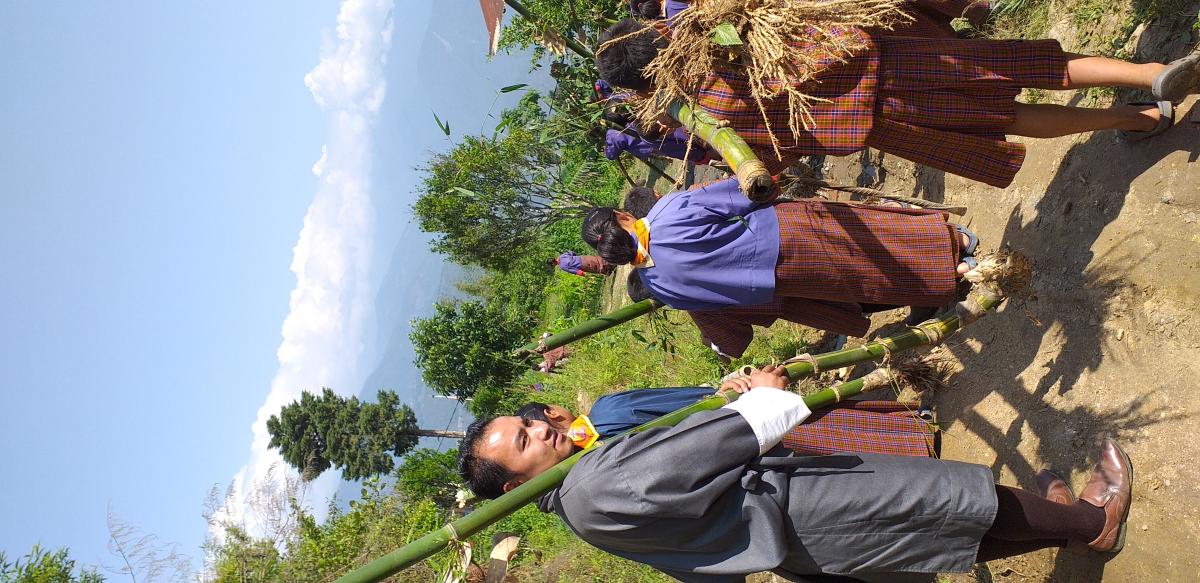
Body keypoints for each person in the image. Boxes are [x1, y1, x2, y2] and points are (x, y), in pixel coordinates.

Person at [457, 366, 1133, 582]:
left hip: (793, 535)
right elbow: (705, 450)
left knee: (940, 530)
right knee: (951, 496)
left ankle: (1064, 526)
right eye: (523, 441)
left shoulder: (578, 496)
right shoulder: (591, 484)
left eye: (529, 424)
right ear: (515, 485)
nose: (541, 429)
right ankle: (1093, 522)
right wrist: (763, 395)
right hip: (803, 508)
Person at [595, 17, 1199, 187]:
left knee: (1010, 117)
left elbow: (776, 161)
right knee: (1037, 65)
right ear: (660, 39)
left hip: (892, 120)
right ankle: (1152, 74)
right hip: (899, 60)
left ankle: (1137, 117)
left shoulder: (713, 117)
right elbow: (836, 25)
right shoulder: (738, 26)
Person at [585, 178, 976, 338]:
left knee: (866, 279)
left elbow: (720, 306)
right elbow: (754, 190)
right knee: (875, 238)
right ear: (623, 217)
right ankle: (956, 243)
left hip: (789, 279)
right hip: (791, 230)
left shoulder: (657, 286)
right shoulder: (670, 210)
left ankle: (950, 276)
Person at [515, 378, 937, 458]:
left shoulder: (591, 461)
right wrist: (718, 394)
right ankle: (914, 429)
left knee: (815, 451)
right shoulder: (605, 410)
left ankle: (912, 448)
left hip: (727, 451)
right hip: (731, 416)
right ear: (554, 415)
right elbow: (676, 401)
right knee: (815, 424)